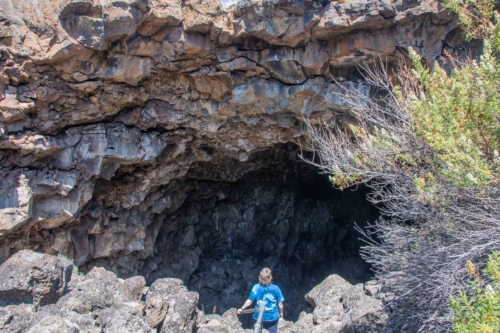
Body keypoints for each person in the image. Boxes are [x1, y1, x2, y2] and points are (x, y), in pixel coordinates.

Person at [237, 267, 284, 333]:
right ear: (270, 277)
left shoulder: (256, 287)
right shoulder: (276, 288)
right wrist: (281, 314)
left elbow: (250, 301)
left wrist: (242, 309)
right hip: (272, 317)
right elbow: (280, 304)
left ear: (260, 277)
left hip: (259, 317)